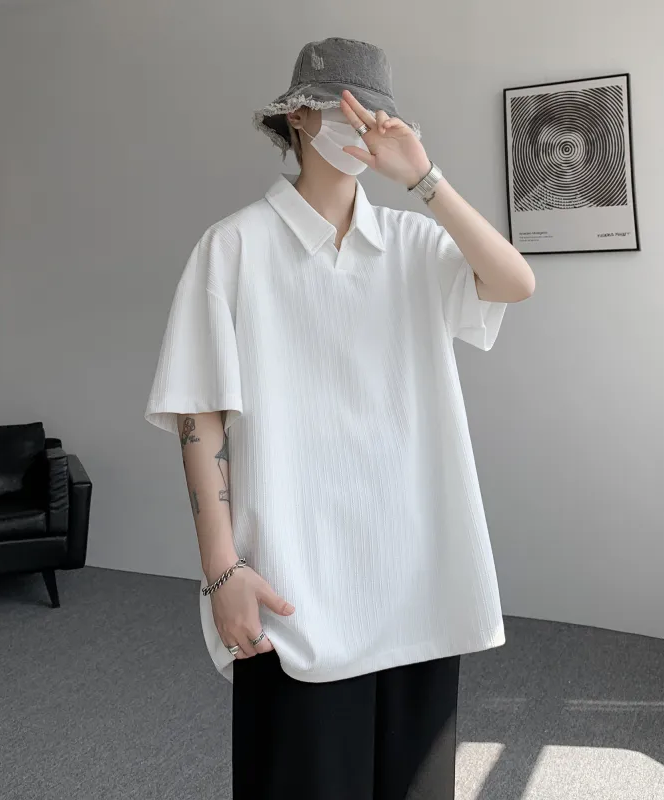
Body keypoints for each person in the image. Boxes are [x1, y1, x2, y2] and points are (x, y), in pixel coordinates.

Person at [145, 37, 535, 800]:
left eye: (379, 116)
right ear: (297, 116)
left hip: (420, 578)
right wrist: (222, 570)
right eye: (346, 111)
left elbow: (514, 282)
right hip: (295, 585)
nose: (364, 129)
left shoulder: (415, 243)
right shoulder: (233, 248)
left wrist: (423, 179)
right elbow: (200, 415)